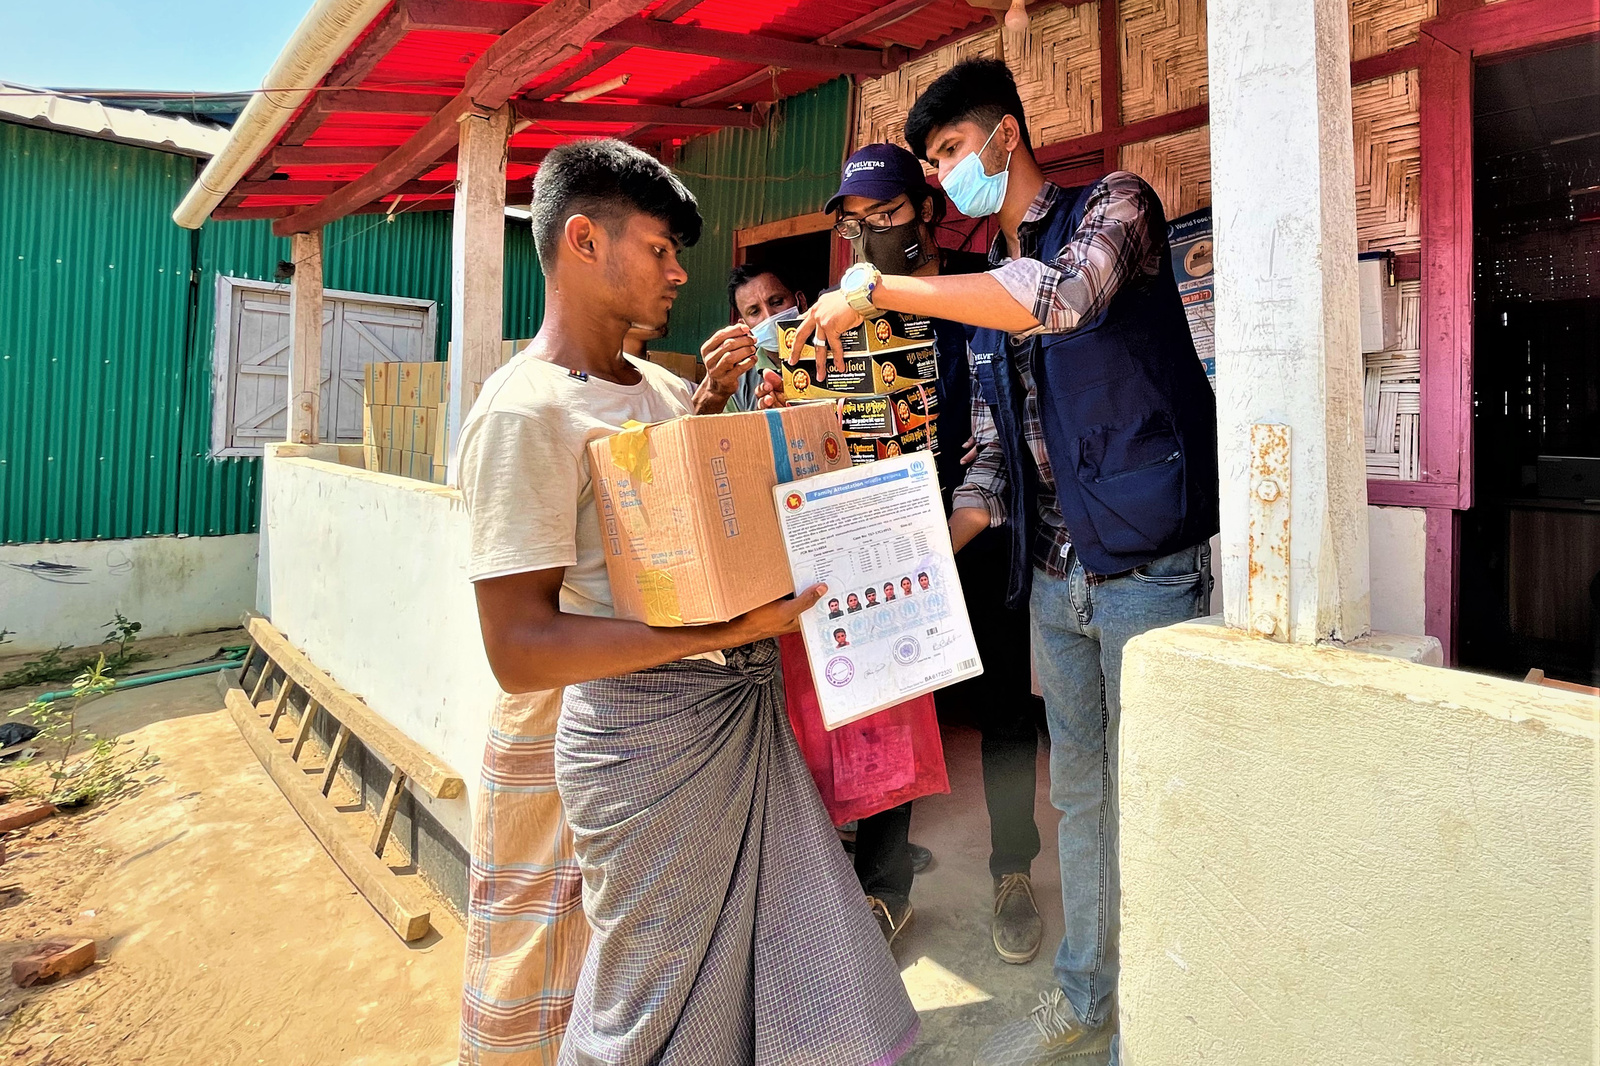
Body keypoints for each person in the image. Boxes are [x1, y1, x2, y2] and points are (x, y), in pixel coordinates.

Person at [457, 138, 916, 1066]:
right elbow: (518, 646)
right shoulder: (526, 411)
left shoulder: (666, 389)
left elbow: (697, 543)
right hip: (643, 747)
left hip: (736, 718)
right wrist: (719, 631)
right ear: (584, 241)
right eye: (662, 249)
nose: (679, 273)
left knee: (762, 982)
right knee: (654, 1008)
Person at [795, 61, 1219, 1064]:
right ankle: (1085, 996)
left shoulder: (1114, 207)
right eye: (932, 162)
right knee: (1076, 791)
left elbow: (1063, 302)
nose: (941, 179)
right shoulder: (985, 277)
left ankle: (1162, 1025)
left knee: (1155, 791)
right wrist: (913, 559)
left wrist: (879, 287)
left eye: (948, 155)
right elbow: (991, 456)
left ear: (1005, 138)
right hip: (1054, 577)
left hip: (1147, 563)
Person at [825, 142, 1048, 970]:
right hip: (890, 545)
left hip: (982, 531)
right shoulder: (850, 310)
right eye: (855, 224)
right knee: (889, 710)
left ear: (925, 210)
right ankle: (885, 890)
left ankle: (1013, 870)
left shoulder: (969, 289)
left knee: (1004, 713)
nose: (870, 236)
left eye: (884, 216)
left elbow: (1018, 403)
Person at [705, 264, 810, 413]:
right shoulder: (736, 382)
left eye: (777, 302)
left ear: (801, 301)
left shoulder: (836, 350)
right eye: (754, 312)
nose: (769, 316)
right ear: (744, 326)